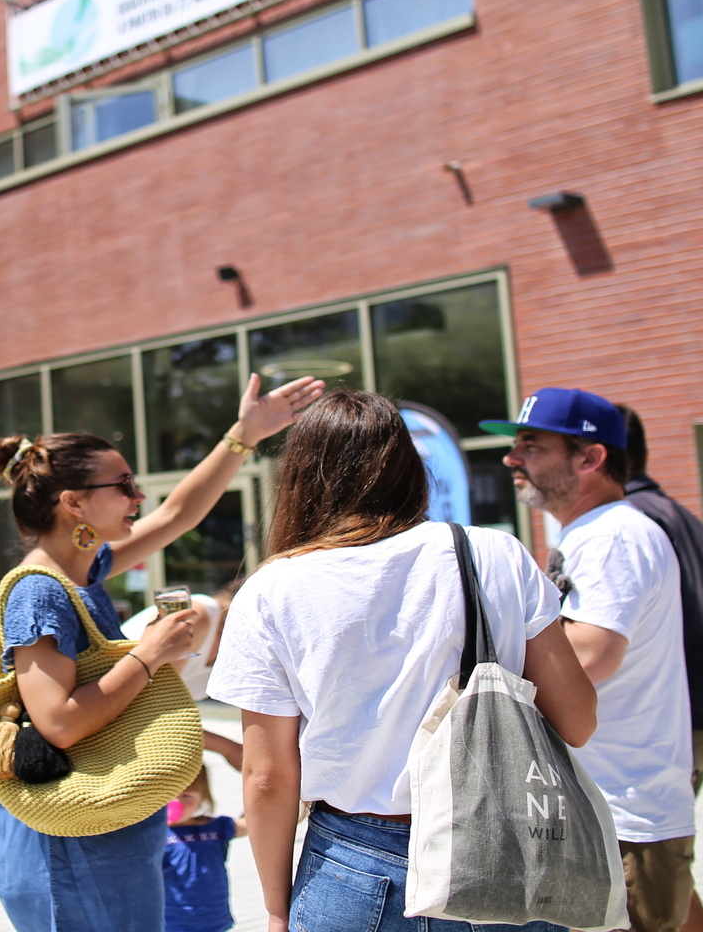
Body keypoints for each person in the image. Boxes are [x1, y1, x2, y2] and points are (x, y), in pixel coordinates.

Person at [212, 389, 596, 932]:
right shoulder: (492, 554)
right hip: (504, 846)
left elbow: (269, 776)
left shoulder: (272, 589)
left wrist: (277, 908)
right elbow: (577, 722)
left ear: (298, 480)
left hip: (352, 862)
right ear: (409, 469)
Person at [0, 370, 323, 932]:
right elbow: (59, 723)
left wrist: (244, 436)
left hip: (94, 830)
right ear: (74, 503)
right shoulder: (39, 591)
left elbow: (177, 516)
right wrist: (149, 654)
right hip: (65, 841)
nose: (138, 496)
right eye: (124, 484)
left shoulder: (81, 570)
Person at [483, 388, 694, 932]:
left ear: (590, 457)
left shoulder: (614, 536)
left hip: (625, 815)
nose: (511, 458)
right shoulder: (591, 533)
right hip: (601, 806)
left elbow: (589, 656)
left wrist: (485, 654)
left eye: (531, 445)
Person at [616, 404, 703, 932]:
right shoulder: (676, 511)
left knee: (653, 872)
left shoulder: (625, 523)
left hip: (678, 717)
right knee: (662, 868)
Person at [121, 587, 243, 769]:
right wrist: (229, 749)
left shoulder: (235, 649)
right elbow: (147, 710)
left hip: (141, 744)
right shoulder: (196, 616)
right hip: (111, 735)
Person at [161, 766, 245, 932]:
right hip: (170, 923)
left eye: (186, 795)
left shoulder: (215, 827)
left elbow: (253, 823)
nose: (177, 802)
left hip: (214, 919)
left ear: (203, 797)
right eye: (169, 796)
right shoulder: (153, 835)